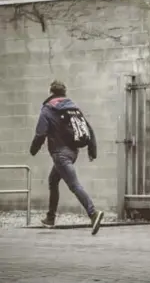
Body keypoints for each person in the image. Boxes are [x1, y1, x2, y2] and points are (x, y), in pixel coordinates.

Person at [29, 80, 104, 236]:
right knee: (53, 180)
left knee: (74, 185)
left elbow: (41, 133)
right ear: (64, 93)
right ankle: (50, 218)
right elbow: (89, 129)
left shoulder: (48, 109)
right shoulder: (73, 108)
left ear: (51, 92)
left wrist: (33, 150)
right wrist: (92, 150)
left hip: (60, 154)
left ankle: (93, 213)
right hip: (73, 152)